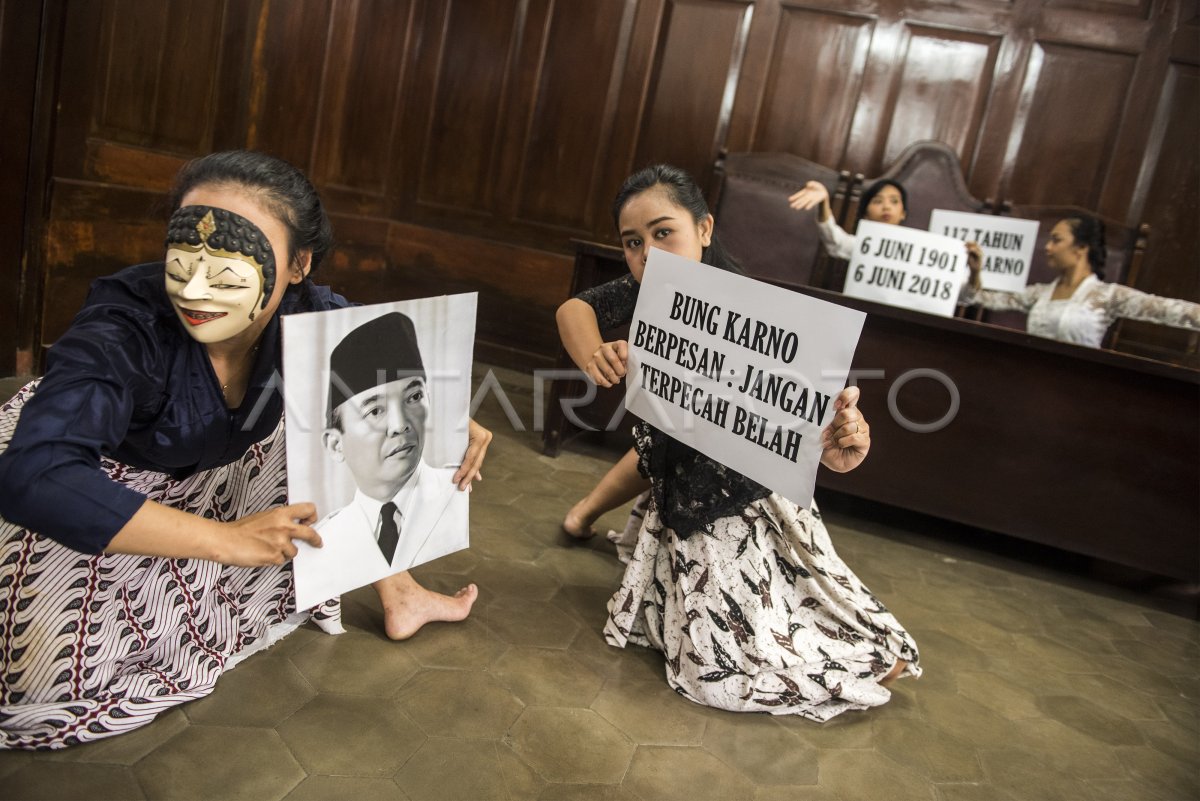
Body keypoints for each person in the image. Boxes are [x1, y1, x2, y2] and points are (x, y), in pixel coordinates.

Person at [0, 150, 491, 749]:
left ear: (297, 265)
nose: (196, 291)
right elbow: (36, 475)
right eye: (181, 261)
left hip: (221, 475)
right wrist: (230, 541)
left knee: (344, 424)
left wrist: (447, 416)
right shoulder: (125, 324)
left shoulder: (311, 314)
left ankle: (400, 589)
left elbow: (378, 353)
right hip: (104, 486)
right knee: (43, 675)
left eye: (229, 273)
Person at [557, 164, 920, 721]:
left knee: (800, 637)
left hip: (752, 492)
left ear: (704, 229)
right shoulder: (637, 291)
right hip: (678, 482)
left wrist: (843, 435)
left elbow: (808, 418)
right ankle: (584, 513)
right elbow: (573, 309)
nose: (648, 252)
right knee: (714, 649)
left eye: (662, 232)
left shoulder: (752, 309)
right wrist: (593, 354)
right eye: (632, 242)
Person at [296, 311, 468, 607]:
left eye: (413, 398)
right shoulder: (326, 536)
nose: (400, 425)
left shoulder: (456, 492)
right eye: (375, 411)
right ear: (336, 445)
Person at [960, 214, 1200, 348]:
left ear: (1081, 248)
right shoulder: (1039, 294)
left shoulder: (1107, 296)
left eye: (1056, 240)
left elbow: (1170, 310)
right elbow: (974, 298)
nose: (1048, 247)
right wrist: (975, 272)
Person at [788, 178, 908, 260]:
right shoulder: (861, 247)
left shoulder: (916, 254)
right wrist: (824, 202)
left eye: (894, 201)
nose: (886, 207)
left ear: (903, 213)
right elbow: (836, 241)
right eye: (877, 201)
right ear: (865, 214)